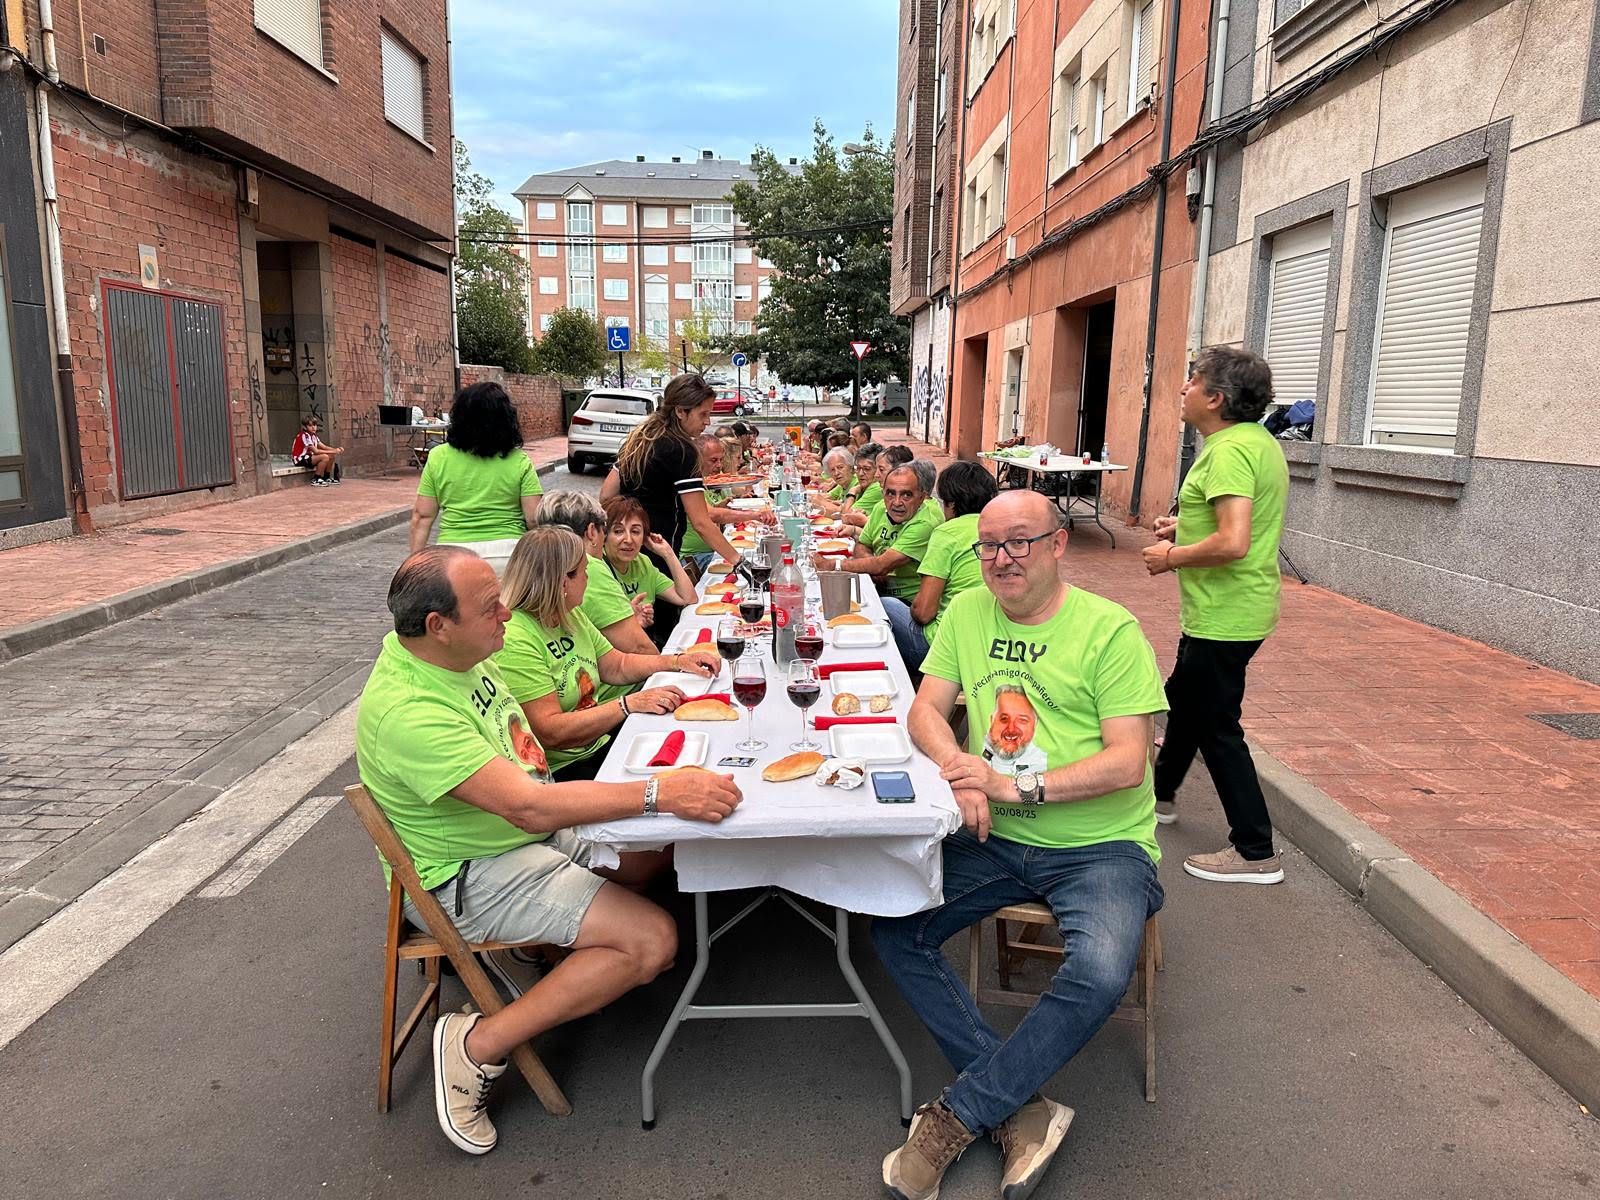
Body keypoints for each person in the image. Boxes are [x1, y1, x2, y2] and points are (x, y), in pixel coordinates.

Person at [355, 546, 742, 1155]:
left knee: (656, 853)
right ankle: (477, 1046)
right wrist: (658, 792)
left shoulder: (456, 653)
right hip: (471, 874)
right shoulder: (408, 709)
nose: (506, 613)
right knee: (653, 941)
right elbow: (527, 807)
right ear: (438, 625)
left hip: (522, 833)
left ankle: (559, 948)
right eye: (489, 607)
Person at [874, 490, 1167, 1200]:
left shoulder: (1109, 630)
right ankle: (1022, 1106)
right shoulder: (969, 611)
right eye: (989, 545)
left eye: (1020, 542)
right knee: (890, 925)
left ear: (1058, 544)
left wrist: (1008, 788)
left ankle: (960, 1113)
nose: (1002, 559)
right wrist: (960, 772)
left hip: (1102, 846)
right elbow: (924, 709)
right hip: (993, 836)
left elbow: (1131, 761)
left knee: (1100, 971)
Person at [1141, 346, 1289, 885]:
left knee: (1218, 726)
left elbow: (1235, 540)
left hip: (1225, 614)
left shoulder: (1227, 452)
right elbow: (1237, 520)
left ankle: (1255, 849)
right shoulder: (1254, 442)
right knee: (1186, 701)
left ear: (1216, 398)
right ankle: (1159, 795)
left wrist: (1171, 557)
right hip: (1233, 608)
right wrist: (1183, 527)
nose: (1183, 389)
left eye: (1192, 380)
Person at [495, 527, 719, 781]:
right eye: (584, 572)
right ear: (562, 582)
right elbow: (551, 731)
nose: (588, 579)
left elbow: (617, 665)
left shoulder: (569, 614)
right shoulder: (515, 638)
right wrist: (626, 705)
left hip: (596, 745)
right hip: (566, 770)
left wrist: (677, 661)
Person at [600, 373, 745, 574]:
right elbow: (701, 522)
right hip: (659, 552)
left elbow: (606, 495)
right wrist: (739, 561)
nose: (708, 421)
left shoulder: (639, 440)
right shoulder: (683, 450)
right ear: (680, 411)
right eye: (703, 414)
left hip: (624, 551)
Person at [409, 382, 543, 574]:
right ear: (506, 419)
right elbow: (533, 519)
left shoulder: (438, 457)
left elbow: (422, 517)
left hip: (453, 557)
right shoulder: (519, 461)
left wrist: (414, 567)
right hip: (509, 556)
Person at [881, 459, 998, 671]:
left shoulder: (948, 533)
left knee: (884, 605)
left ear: (951, 503)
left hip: (945, 650)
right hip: (992, 647)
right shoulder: (1000, 529)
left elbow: (924, 612)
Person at [536, 491, 657, 659]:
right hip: (614, 681)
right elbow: (641, 649)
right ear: (592, 531)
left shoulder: (539, 562)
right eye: (604, 530)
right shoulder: (590, 566)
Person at [827, 465, 942, 603]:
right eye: (891, 493)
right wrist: (870, 562)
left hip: (907, 602)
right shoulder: (880, 507)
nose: (897, 502)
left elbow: (881, 566)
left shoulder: (925, 523)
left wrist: (834, 565)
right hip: (876, 588)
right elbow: (862, 545)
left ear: (921, 498)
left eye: (906, 495)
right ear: (883, 493)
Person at [600, 495, 698, 634]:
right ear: (604, 535)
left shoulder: (642, 562)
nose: (628, 539)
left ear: (644, 538)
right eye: (618, 531)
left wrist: (668, 553)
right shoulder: (598, 568)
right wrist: (632, 622)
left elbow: (688, 598)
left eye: (635, 531)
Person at [682, 433, 750, 572]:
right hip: (694, 557)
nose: (719, 465)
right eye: (713, 460)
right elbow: (710, 515)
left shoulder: (707, 481)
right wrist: (755, 515)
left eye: (720, 460)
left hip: (710, 551)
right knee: (748, 565)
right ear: (698, 459)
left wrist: (722, 507)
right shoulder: (690, 483)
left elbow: (711, 510)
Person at [291, 416, 343, 485]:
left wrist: (336, 449)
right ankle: (316, 478)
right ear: (305, 427)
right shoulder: (305, 436)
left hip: (309, 457)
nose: (313, 427)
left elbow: (324, 446)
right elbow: (316, 451)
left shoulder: (314, 436)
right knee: (324, 457)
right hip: (300, 459)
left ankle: (326, 477)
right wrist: (334, 451)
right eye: (310, 425)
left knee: (331, 455)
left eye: (315, 425)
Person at [813, 447, 858, 516]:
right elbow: (826, 497)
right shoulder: (842, 484)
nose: (836, 473)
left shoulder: (858, 484)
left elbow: (847, 513)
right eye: (832, 470)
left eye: (840, 467)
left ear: (851, 467)